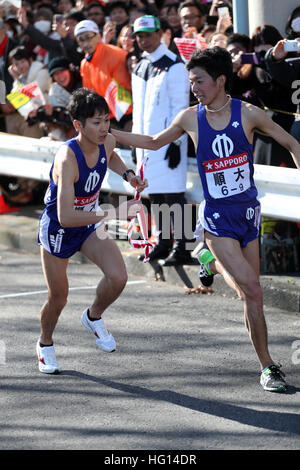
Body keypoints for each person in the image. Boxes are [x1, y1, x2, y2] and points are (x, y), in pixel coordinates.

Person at [111, 47, 300, 392]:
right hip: (216, 219)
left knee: (247, 293)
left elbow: (291, 142)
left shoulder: (248, 114)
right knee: (254, 291)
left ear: (221, 80)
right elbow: (153, 142)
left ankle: (209, 263)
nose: (194, 87)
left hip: (247, 216)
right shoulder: (189, 118)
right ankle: (268, 367)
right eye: (190, 81)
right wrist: (113, 135)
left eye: (199, 80)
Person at [36, 87, 147, 374]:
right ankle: (45, 344)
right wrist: (114, 213)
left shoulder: (106, 141)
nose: (104, 128)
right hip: (60, 228)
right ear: (78, 125)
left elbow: (110, 156)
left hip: (87, 222)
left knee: (119, 277)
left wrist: (129, 176)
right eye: (96, 123)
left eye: (106, 121)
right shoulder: (67, 158)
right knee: (58, 298)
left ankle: (93, 316)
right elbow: (65, 216)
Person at [131, 15, 192, 265]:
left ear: (161, 34)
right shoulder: (140, 65)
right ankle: (163, 241)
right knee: (154, 194)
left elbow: (181, 108)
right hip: (144, 143)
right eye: (139, 35)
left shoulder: (174, 64)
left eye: (148, 34)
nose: (144, 40)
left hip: (168, 143)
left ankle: (183, 245)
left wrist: (176, 142)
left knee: (174, 194)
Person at [74, 19, 132, 129]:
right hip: (104, 118)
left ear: (98, 36)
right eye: (81, 40)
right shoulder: (84, 64)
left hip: (128, 113)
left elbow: (127, 86)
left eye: (88, 37)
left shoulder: (116, 54)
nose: (86, 43)